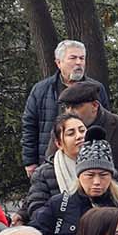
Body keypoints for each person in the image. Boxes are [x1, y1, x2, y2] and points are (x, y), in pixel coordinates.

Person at [22, 40, 93, 169]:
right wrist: (30, 162)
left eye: (82, 58)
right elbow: (30, 126)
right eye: (73, 58)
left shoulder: (95, 89)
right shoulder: (41, 90)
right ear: (58, 63)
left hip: (88, 161)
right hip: (50, 162)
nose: (79, 62)